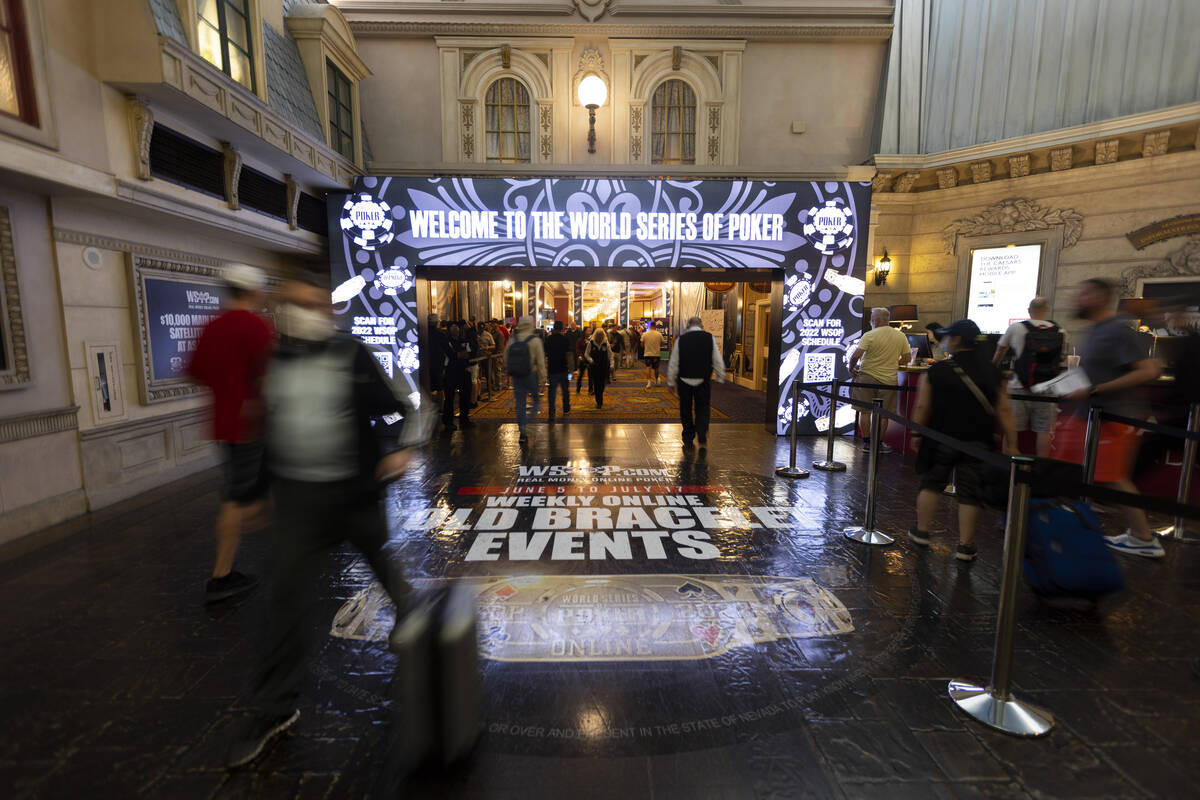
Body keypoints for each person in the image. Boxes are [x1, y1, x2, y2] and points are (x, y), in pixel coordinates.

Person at [227, 278, 415, 768]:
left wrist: (396, 450)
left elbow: (394, 409)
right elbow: (264, 426)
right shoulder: (272, 363)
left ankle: (410, 612)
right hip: (298, 500)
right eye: (296, 305)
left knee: (379, 557)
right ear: (281, 311)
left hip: (353, 492)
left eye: (315, 305)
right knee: (287, 598)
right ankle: (274, 708)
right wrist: (254, 491)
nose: (307, 312)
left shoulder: (350, 355)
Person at [186, 263, 274, 604]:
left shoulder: (210, 326)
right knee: (237, 499)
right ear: (253, 292)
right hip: (251, 425)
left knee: (245, 492)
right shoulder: (255, 326)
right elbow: (269, 377)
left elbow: (195, 372)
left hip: (222, 424)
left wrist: (225, 387)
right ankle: (221, 575)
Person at [1065, 278, 1164, 558]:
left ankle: (1143, 538)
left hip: (1113, 418)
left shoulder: (1116, 331)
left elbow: (1148, 371)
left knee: (1116, 478)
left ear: (1098, 297)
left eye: (1082, 293)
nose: (1076, 298)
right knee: (1103, 476)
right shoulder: (1096, 330)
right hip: (1093, 417)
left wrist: (1096, 389)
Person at [909, 319, 1019, 562]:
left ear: (957, 340)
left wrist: (916, 433)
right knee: (970, 493)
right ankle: (965, 545)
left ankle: (922, 531)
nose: (945, 340)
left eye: (948, 336)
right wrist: (1012, 441)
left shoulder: (937, 370)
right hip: (978, 440)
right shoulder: (994, 373)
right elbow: (1004, 410)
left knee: (932, 483)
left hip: (940, 437)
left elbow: (923, 405)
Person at [992, 297, 1066, 457]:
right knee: (1044, 432)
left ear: (1029, 310)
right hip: (1048, 389)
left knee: (1012, 430)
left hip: (1020, 387)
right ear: (1046, 309)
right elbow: (1061, 357)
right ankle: (1040, 470)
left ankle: (1008, 468)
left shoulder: (1016, 328)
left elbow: (1000, 350)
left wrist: (992, 368)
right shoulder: (1060, 331)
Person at [848, 308, 912, 453]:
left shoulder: (869, 335)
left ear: (875, 320)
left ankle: (866, 443)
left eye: (871, 318)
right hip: (889, 380)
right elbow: (907, 358)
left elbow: (855, 355)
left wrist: (851, 368)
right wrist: (893, 362)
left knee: (864, 411)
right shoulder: (900, 335)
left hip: (866, 376)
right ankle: (878, 444)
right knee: (884, 415)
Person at [667, 316, 726, 447]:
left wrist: (671, 381)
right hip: (703, 379)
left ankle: (688, 436)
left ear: (688, 326)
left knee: (685, 408)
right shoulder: (709, 338)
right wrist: (720, 376)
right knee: (703, 407)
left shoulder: (681, 340)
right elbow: (717, 359)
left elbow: (674, 362)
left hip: (684, 380)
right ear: (701, 325)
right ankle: (702, 432)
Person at [507, 315, 546, 442]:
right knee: (536, 400)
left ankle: (522, 430)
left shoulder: (513, 339)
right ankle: (528, 422)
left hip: (517, 375)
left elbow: (505, 357)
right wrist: (543, 379)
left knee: (520, 403)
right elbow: (540, 361)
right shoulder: (535, 340)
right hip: (531, 375)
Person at [441, 323, 474, 431]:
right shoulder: (447, 341)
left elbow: (470, 353)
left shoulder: (463, 341)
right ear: (450, 330)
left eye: (457, 329)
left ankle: (464, 418)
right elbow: (451, 355)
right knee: (449, 397)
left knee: (465, 395)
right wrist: (459, 355)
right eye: (453, 329)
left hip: (464, 370)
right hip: (451, 371)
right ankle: (448, 421)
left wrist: (458, 355)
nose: (456, 331)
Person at [545, 320, 572, 422]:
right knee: (565, 391)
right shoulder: (565, 339)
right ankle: (566, 409)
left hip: (552, 369)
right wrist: (570, 369)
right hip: (563, 368)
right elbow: (568, 354)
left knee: (552, 393)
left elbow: (546, 354)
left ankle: (551, 413)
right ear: (561, 329)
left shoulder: (548, 339)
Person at [585, 327, 612, 409]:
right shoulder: (591, 343)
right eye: (598, 335)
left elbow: (610, 355)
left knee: (602, 385)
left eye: (601, 335)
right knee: (596, 384)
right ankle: (599, 401)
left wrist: (612, 365)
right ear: (595, 335)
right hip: (595, 367)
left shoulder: (605, 343)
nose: (599, 337)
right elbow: (586, 354)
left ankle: (600, 396)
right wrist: (590, 360)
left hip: (604, 367)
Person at [641, 322, 665, 388]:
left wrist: (646, 346)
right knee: (656, 368)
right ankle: (657, 380)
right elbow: (663, 343)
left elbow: (642, 344)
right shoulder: (659, 334)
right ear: (655, 326)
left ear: (650, 326)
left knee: (648, 367)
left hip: (647, 354)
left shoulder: (645, 334)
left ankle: (649, 382)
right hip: (656, 354)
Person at [576, 326, 592, 397]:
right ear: (584, 331)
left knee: (591, 375)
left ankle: (590, 389)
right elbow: (577, 348)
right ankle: (578, 388)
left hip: (589, 359)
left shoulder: (591, 339)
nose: (589, 332)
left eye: (590, 331)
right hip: (582, 358)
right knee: (581, 375)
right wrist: (579, 356)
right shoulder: (580, 339)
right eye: (588, 330)